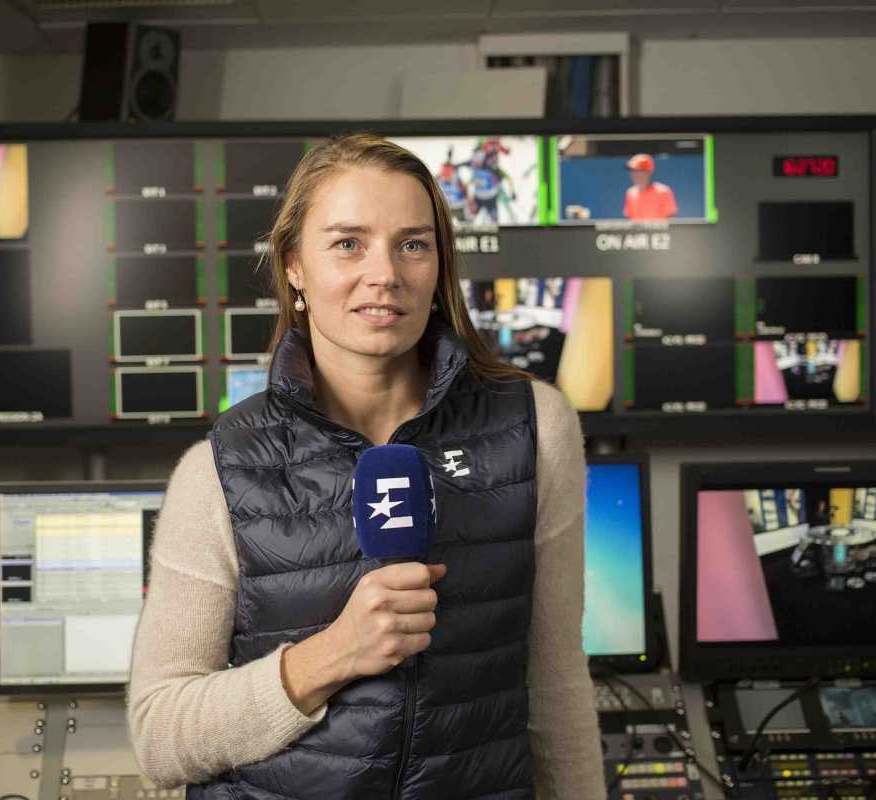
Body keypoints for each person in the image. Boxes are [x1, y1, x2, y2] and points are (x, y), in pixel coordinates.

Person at [127, 133, 605, 799]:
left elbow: (556, 688)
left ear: (439, 267)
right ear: (294, 265)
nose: (384, 273)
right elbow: (160, 738)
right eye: (348, 243)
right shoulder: (217, 471)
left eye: (412, 244)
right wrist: (330, 657)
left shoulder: (536, 427)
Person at [622, 153, 678, 221]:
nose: (634, 174)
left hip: (659, 231)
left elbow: (672, 221)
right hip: (638, 231)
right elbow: (629, 219)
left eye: (638, 170)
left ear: (648, 172)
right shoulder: (630, 193)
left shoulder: (663, 191)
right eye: (632, 170)